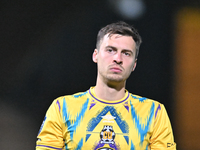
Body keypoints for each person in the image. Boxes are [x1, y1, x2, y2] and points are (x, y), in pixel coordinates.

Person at [36, 21, 176, 150]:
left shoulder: (154, 113)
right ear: (95, 55)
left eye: (126, 53)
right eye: (110, 50)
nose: (118, 59)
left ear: (134, 65)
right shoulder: (62, 108)